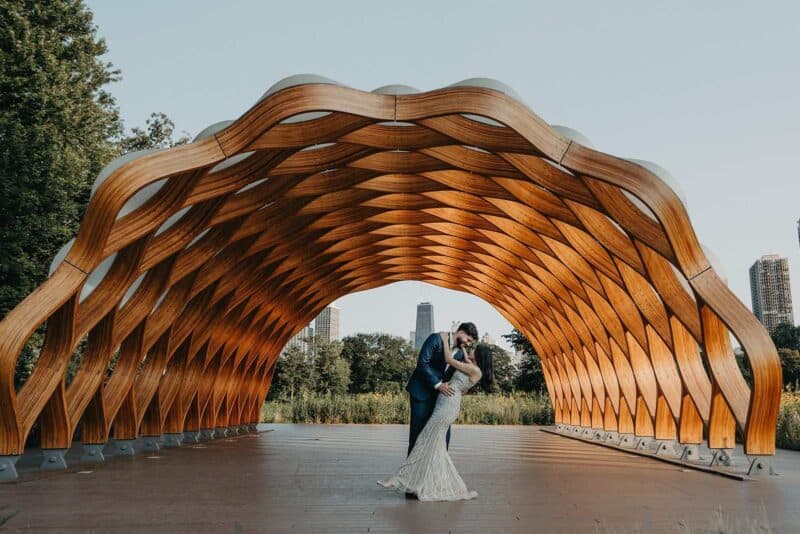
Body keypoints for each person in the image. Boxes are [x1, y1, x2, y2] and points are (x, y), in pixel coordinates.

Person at [378, 326, 494, 501]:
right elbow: (422, 364)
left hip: (445, 402)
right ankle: (413, 485)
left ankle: (423, 482)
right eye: (468, 340)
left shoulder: (466, 361)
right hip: (426, 394)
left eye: (471, 345)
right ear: (461, 331)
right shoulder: (436, 340)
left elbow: (454, 366)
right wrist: (440, 384)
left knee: (436, 441)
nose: (468, 345)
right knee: (421, 438)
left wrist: (453, 386)